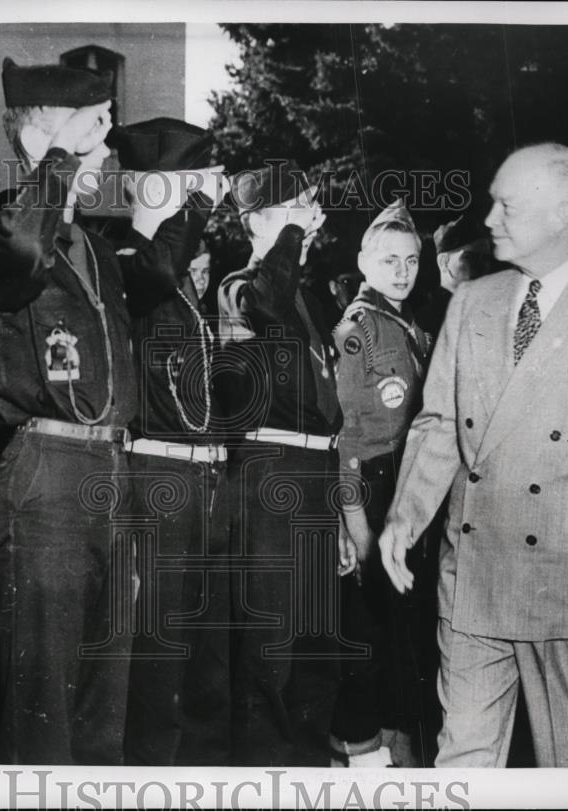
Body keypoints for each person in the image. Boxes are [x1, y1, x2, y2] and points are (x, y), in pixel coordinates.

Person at [378, 142, 568, 768]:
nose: (489, 219)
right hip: (471, 574)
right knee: (462, 764)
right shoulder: (472, 302)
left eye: (506, 206)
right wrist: (403, 519)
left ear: (559, 214)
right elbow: (439, 425)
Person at [0, 59, 190, 765]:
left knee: (102, 698)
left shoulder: (93, 241)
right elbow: (25, 249)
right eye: (97, 138)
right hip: (46, 474)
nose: (111, 155)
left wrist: (189, 206)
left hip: (106, 470)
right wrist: (56, 156)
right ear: (41, 141)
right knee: (45, 701)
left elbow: (156, 273)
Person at [106, 117, 233, 765]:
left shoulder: (178, 276)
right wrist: (202, 203)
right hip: (155, 482)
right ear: (145, 188)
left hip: (201, 484)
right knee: (158, 655)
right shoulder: (121, 258)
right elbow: (155, 265)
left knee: (206, 654)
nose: (193, 198)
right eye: (182, 184)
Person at [218, 163, 342, 766]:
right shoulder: (241, 287)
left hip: (316, 477)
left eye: (309, 210)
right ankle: (262, 776)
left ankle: (309, 772)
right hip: (271, 476)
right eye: (295, 211)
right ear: (258, 221)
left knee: (319, 643)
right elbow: (264, 305)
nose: (310, 222)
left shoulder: (309, 295)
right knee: (270, 646)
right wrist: (289, 237)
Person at [329, 201, 430, 768]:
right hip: (372, 490)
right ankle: (361, 756)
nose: (402, 270)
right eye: (388, 259)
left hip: (407, 490)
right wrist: (357, 529)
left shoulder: (410, 325)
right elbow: (343, 440)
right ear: (363, 261)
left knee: (401, 637)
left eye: (412, 260)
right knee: (369, 638)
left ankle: (395, 751)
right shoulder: (356, 328)